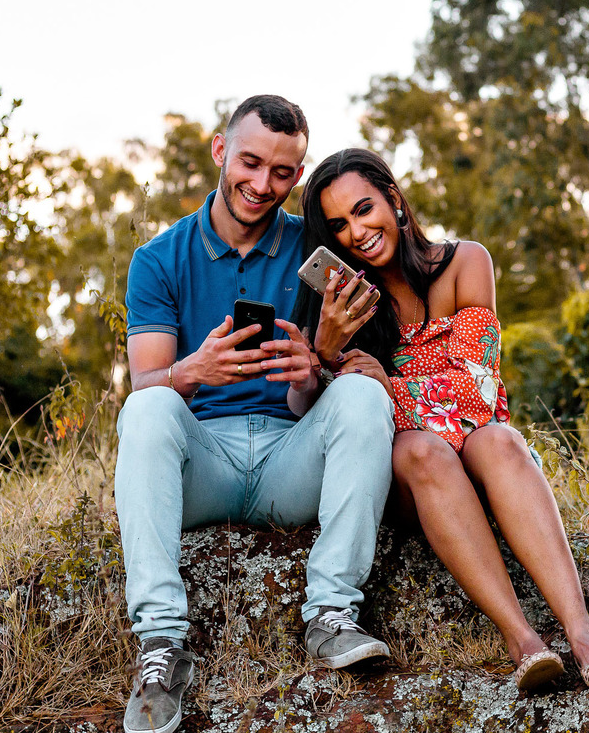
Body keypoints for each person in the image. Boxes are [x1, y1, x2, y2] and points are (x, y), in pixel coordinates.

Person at [296, 148, 589, 691]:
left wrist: (388, 386)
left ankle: (583, 632)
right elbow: (328, 418)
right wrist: (329, 351)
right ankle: (522, 638)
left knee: (497, 438)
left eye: (364, 209)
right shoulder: (343, 306)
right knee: (421, 450)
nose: (357, 232)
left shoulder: (465, 263)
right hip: (411, 480)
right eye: (338, 225)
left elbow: (477, 389)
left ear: (395, 200)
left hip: (479, 455)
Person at [115, 98, 395, 733]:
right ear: (220, 151)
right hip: (201, 464)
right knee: (151, 404)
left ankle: (330, 616)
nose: (262, 185)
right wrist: (195, 370)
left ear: (298, 176)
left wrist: (315, 367)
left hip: (289, 457)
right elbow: (148, 385)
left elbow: (329, 385)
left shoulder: (315, 248)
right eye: (250, 162)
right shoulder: (158, 260)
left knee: (360, 394)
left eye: (282, 172)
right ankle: (161, 645)